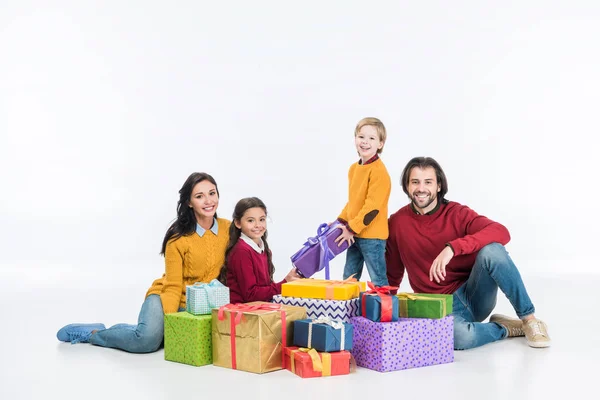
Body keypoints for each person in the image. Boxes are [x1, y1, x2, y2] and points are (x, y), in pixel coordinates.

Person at [385, 157, 551, 349]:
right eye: (415, 182)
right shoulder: (397, 223)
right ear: (407, 186)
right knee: (460, 338)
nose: (421, 188)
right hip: (439, 308)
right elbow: (393, 273)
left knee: (492, 251)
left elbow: (501, 231)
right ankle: (504, 328)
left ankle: (530, 320)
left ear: (439, 186)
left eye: (428, 182)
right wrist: (384, 309)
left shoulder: (457, 213)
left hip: (474, 295)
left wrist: (453, 248)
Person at [56, 172, 230, 353]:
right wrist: (173, 323)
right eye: (199, 196)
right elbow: (172, 286)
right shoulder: (178, 237)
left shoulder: (228, 229)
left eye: (212, 193)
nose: (208, 201)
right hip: (166, 297)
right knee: (146, 341)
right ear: (189, 202)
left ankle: (138, 329)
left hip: (202, 304)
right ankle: (93, 333)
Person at [335, 117, 392, 287]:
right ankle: (347, 311)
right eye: (361, 137)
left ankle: (386, 312)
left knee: (378, 279)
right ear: (355, 139)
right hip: (354, 233)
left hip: (372, 237)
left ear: (380, 144)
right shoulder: (354, 169)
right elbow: (354, 202)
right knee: (349, 278)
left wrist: (351, 228)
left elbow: (371, 209)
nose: (365, 142)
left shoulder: (379, 172)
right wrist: (340, 221)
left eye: (372, 138)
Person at [219, 197, 300, 303]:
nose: (258, 225)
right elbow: (251, 295)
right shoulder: (241, 251)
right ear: (238, 223)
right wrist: (283, 284)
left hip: (258, 308)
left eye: (261, 219)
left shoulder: (263, 249)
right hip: (242, 312)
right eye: (250, 220)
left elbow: (266, 288)